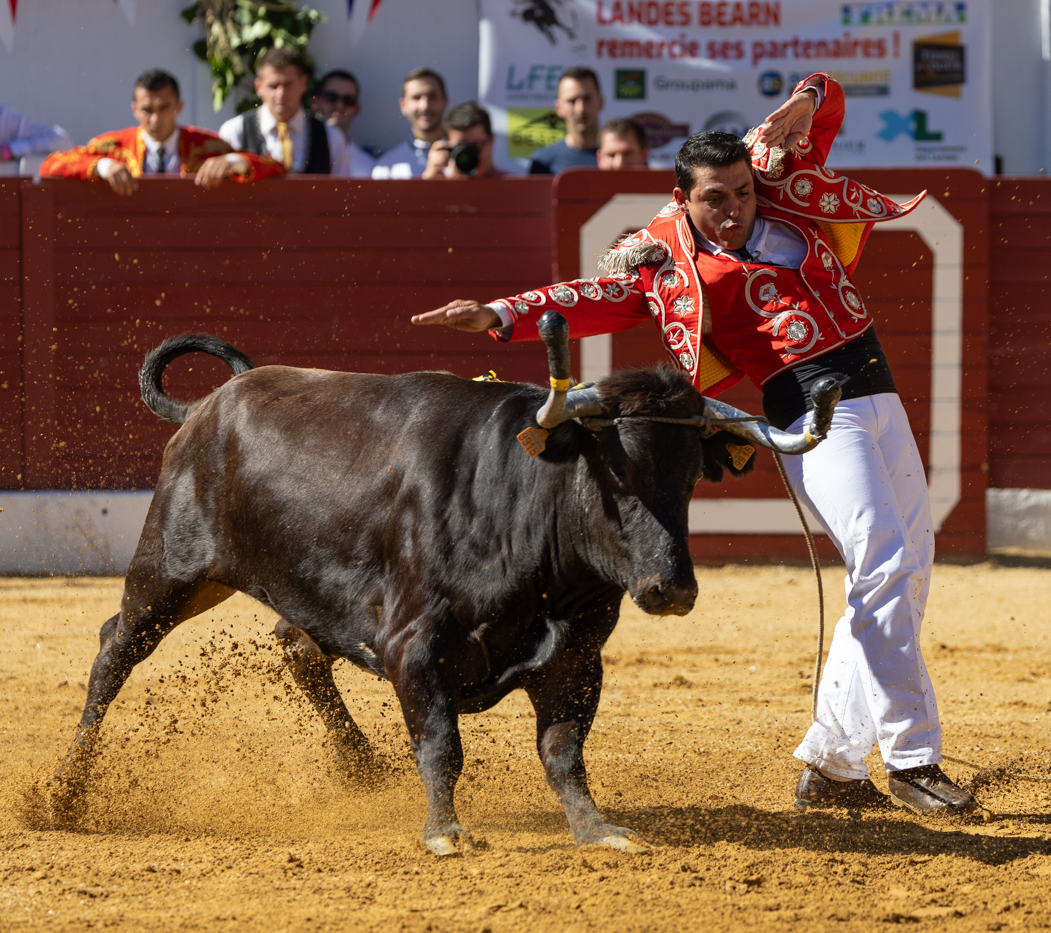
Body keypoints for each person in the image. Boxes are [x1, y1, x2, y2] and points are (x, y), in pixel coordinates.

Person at [412, 73, 979, 819]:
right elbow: (589, 296)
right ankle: (912, 756)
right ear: (685, 199)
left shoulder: (776, 186)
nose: (735, 210)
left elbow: (822, 108)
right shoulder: (663, 258)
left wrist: (806, 99)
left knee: (906, 565)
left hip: (877, 393)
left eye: (742, 193)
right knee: (881, 556)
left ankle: (835, 763)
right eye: (716, 199)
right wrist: (499, 314)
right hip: (811, 412)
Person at [40, 69, 284, 193]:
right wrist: (102, 167)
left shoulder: (209, 146)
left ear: (179, 107)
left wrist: (234, 162)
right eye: (147, 109)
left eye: (164, 108)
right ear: (135, 110)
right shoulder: (114, 146)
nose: (155, 118)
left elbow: (275, 167)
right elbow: (51, 165)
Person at [219, 48, 351, 176]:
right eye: (273, 86)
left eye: (288, 85)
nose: (281, 94)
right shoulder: (235, 131)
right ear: (259, 87)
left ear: (303, 83)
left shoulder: (331, 137)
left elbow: (342, 194)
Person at [373, 67, 447, 179]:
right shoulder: (386, 168)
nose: (425, 106)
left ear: (445, 102)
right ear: (403, 106)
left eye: (432, 97)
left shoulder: (466, 159)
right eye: (416, 98)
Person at [527, 67, 603, 175]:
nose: (580, 109)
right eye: (572, 101)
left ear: (601, 102)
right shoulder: (543, 162)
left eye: (587, 99)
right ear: (559, 108)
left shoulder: (619, 157)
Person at [311, 69, 374, 178]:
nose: (339, 105)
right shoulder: (299, 152)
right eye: (331, 97)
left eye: (348, 100)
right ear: (315, 102)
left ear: (356, 109)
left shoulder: (369, 167)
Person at [422, 102, 504, 180]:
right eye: (462, 146)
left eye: (476, 145)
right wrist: (429, 180)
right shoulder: (439, 186)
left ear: (491, 140)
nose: (469, 154)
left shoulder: (511, 186)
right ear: (449, 147)